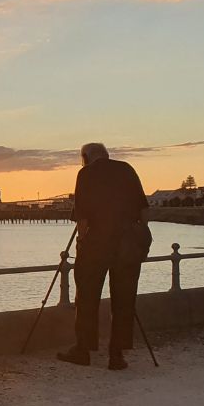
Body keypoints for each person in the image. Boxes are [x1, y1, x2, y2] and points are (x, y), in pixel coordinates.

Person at [57, 143, 149, 370]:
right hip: (127, 246)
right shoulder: (127, 169)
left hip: (96, 246)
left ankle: (83, 350)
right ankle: (116, 355)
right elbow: (144, 211)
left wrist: (80, 243)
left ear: (86, 157)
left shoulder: (86, 174)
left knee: (87, 298)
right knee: (124, 300)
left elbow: (83, 220)